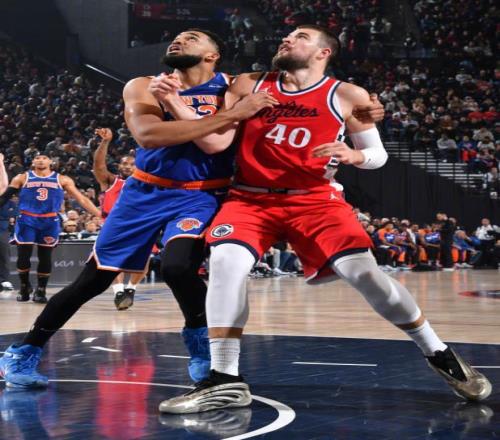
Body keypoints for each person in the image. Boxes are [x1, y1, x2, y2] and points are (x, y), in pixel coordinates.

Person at [159, 25, 491, 413]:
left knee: (366, 275)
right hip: (250, 198)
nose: (287, 39)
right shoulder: (248, 84)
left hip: (315, 200)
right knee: (225, 263)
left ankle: (438, 352)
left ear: (323, 52)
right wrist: (174, 96)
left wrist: (355, 155)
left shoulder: (347, 95)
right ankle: (224, 378)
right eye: (286, 35)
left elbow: (377, 155)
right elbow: (213, 131)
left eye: (300, 36)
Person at [0, 28, 279, 388]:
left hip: (200, 194)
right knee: (93, 281)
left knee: (179, 267)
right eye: (177, 37)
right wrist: (232, 115)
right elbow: (149, 136)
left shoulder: (233, 85)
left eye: (192, 37)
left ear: (213, 55)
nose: (179, 40)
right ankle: (23, 353)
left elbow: (219, 142)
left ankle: (201, 351)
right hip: (144, 192)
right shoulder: (143, 85)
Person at [0, 155, 101, 303]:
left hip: (49, 220)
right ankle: (24, 286)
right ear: (33, 162)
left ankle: (41, 290)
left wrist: (100, 214)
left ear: (50, 162)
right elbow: (4, 197)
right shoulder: (22, 178)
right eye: (37, 158)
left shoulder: (62, 179)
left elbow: (81, 199)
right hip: (27, 219)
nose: (41, 160)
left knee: (45, 256)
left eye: (44, 158)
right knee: (23, 256)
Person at [92, 127, 145, 310]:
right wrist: (105, 142)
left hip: (139, 224)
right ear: (119, 166)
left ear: (138, 166)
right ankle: (119, 291)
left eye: (131, 164)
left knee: (143, 258)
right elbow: (98, 165)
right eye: (124, 163)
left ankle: (131, 288)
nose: (127, 166)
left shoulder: (146, 183)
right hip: (114, 224)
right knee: (113, 260)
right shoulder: (111, 181)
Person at [0, 153, 16, 292]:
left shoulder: (5, 198)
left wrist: (0, 163)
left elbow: (4, 184)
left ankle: (4, 280)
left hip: (1, 229)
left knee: (4, 255)